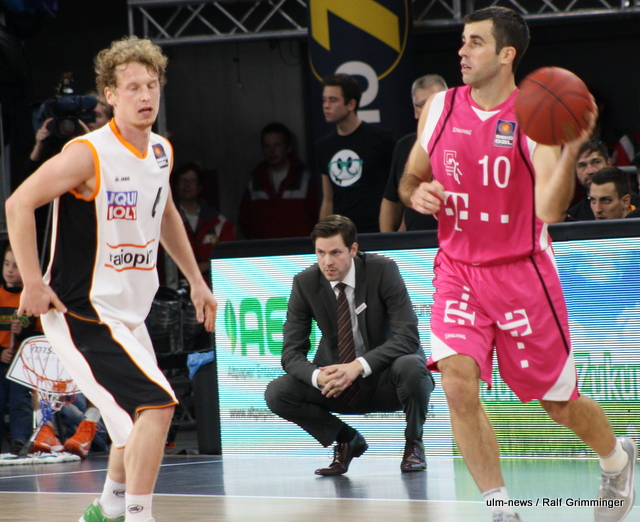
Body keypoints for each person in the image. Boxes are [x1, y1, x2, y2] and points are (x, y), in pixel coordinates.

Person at [399, 7, 636, 522]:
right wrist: (416, 192)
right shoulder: (439, 107)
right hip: (457, 269)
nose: (462, 51)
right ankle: (501, 509)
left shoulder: (535, 116)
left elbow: (549, 210)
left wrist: (571, 149)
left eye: (475, 43)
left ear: (506, 54)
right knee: (457, 384)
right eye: (462, 41)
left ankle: (617, 458)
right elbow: (411, 175)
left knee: (558, 403)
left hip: (521, 272)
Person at [6, 35, 217, 522]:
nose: (145, 95)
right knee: (156, 408)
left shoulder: (160, 151)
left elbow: (165, 213)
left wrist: (196, 280)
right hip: (81, 312)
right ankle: (139, 515)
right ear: (110, 95)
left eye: (152, 85)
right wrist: (32, 281)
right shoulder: (88, 153)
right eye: (133, 87)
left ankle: (106, 510)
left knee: (128, 429)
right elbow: (18, 204)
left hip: (128, 314)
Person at [265, 215, 434, 476]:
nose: (327, 262)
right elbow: (290, 354)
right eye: (320, 253)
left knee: (412, 366)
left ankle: (414, 443)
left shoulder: (382, 270)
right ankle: (347, 440)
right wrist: (318, 376)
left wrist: (358, 366)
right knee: (278, 392)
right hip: (337, 385)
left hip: (385, 379)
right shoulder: (305, 282)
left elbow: (408, 337)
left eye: (335, 252)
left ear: (353, 249)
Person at [316, 74, 396, 233]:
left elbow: (398, 189)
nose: (326, 106)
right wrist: (322, 236)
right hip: (343, 235)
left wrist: (397, 230)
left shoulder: (381, 139)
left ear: (351, 104)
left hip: (378, 231)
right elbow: (328, 199)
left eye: (333, 100)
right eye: (324, 100)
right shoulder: (323, 147)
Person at [379, 75, 447, 232]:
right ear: (416, 110)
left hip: (458, 237)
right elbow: (391, 200)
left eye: (436, 102)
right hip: (415, 239)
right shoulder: (405, 146)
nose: (431, 108)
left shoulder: (467, 138)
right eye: (423, 104)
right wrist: (387, 242)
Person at [238, 122, 318, 239]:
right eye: (267, 146)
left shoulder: (306, 180)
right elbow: (245, 221)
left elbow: (318, 217)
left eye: (277, 145)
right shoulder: (256, 182)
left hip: (299, 248)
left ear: (288, 147)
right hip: (265, 248)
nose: (272, 151)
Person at [0, 244, 41, 456]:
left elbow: (40, 335)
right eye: (7, 264)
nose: (9, 270)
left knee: (20, 401)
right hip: (1, 360)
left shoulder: (31, 299)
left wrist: (23, 331)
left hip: (22, 362)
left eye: (16, 266)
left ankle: (19, 440)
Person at [173, 161, 235, 278]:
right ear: (175, 185)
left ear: (200, 187)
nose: (187, 185)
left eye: (192, 181)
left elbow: (229, 255)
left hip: (210, 285)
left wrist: (207, 265)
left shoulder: (217, 222)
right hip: (176, 285)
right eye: (182, 180)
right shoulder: (165, 220)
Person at [565, 139, 611, 221]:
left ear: (608, 163)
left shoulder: (634, 204)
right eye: (582, 165)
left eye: (596, 162)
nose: (590, 171)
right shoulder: (573, 216)